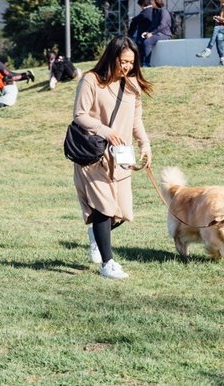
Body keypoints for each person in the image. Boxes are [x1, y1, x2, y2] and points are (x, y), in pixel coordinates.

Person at [72, 36, 153, 280]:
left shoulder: (132, 86)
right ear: (112, 56)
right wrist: (106, 131)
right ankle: (108, 265)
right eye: (123, 61)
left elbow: (136, 120)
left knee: (122, 211)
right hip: (93, 153)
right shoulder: (91, 80)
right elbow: (79, 115)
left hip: (120, 157)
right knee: (104, 208)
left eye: (131, 62)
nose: (127, 66)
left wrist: (145, 145)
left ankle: (97, 235)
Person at [141, 0, 172, 67]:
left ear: (157, 1)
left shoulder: (163, 11)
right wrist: (147, 32)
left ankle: (146, 63)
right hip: (158, 33)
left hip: (165, 34)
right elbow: (153, 25)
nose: (150, 2)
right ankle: (141, 62)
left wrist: (152, 33)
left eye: (152, 0)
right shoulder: (155, 12)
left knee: (147, 42)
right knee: (142, 40)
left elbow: (163, 25)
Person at [127, 0, 153, 64]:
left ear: (142, 4)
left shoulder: (146, 12)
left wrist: (128, 34)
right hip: (150, 33)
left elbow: (135, 20)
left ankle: (139, 63)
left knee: (137, 48)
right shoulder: (153, 10)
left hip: (143, 36)